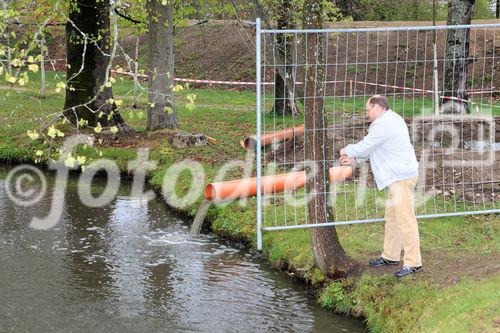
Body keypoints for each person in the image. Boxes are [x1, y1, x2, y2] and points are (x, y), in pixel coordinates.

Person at [339, 95, 421, 278]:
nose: (366, 113)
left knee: (406, 220)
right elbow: (375, 148)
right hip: (396, 177)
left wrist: (347, 150)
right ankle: (390, 256)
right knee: (392, 217)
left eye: (367, 110)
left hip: (401, 177)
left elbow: (367, 146)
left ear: (377, 107)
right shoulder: (390, 120)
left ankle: (413, 262)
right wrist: (354, 158)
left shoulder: (384, 124)